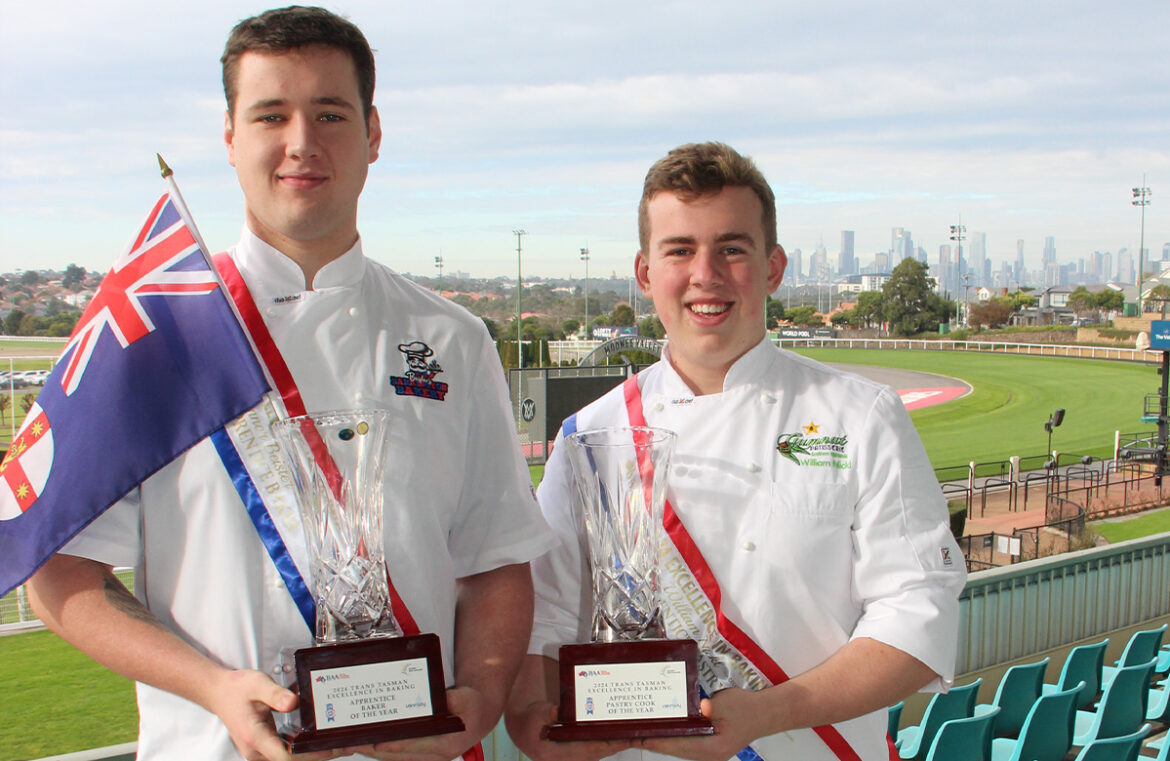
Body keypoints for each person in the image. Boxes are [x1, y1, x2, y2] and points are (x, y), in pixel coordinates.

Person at [28, 7, 554, 761]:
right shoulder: (151, 337)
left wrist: (478, 695)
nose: (301, 143)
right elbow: (57, 572)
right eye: (271, 114)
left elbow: (498, 558)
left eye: (330, 113)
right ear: (231, 137)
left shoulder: (452, 338)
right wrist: (211, 686)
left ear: (374, 134)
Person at [504, 142, 967, 761]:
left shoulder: (860, 416)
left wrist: (770, 712)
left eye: (731, 248)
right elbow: (545, 624)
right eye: (680, 250)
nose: (706, 274)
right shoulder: (591, 437)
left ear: (772, 266)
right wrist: (539, 730)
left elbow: (920, 615)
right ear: (645, 274)